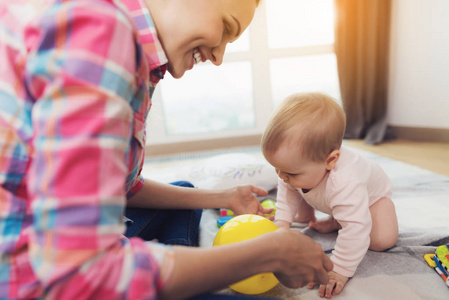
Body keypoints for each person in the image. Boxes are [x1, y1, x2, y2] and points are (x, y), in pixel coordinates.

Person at [0, 0, 334, 299]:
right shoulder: (100, 31)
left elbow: (122, 190)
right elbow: (81, 272)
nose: (218, 57)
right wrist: (270, 253)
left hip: (44, 239)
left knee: (184, 193)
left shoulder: (123, 44)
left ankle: (176, 267)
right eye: (226, 27)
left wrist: (223, 197)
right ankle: (174, 276)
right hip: (26, 278)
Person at [261, 92, 399, 298]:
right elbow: (287, 190)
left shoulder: (345, 182)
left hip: (372, 199)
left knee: (381, 240)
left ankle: (339, 220)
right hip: (328, 195)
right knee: (295, 187)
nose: (281, 176)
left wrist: (339, 269)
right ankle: (333, 218)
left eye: (290, 171)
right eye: (277, 168)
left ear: (331, 160)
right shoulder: (295, 169)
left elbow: (356, 228)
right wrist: (282, 223)